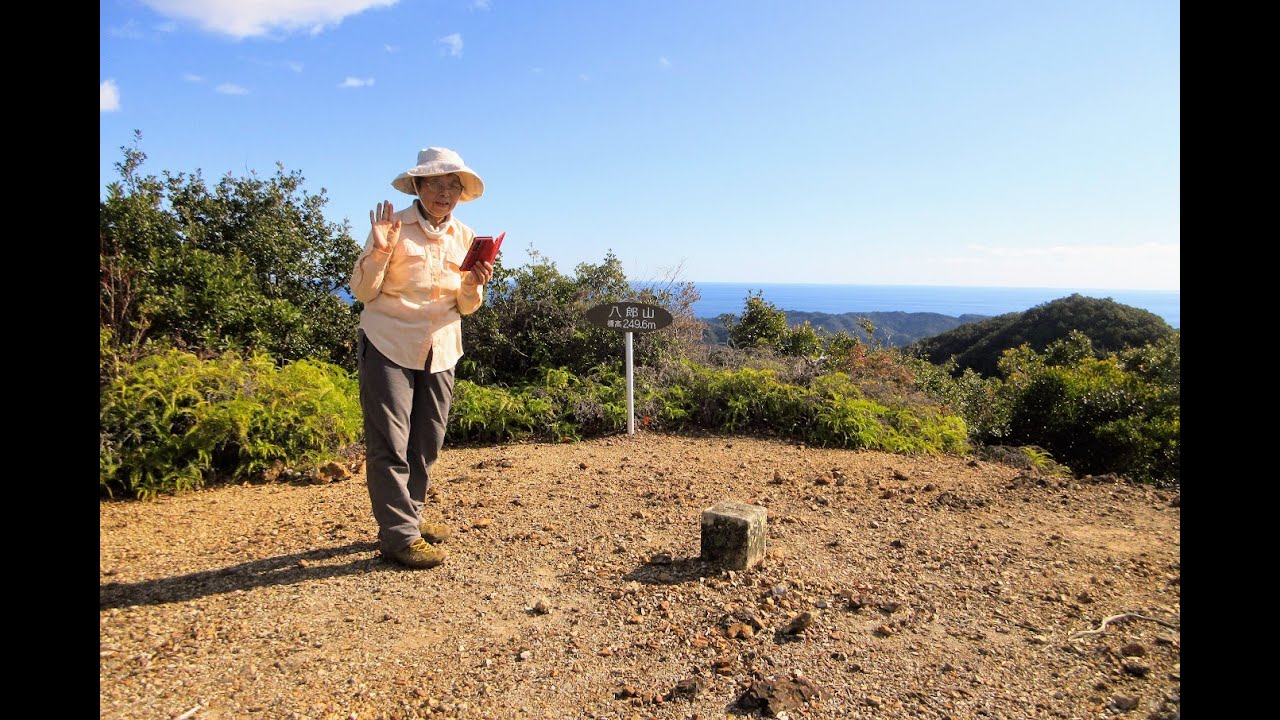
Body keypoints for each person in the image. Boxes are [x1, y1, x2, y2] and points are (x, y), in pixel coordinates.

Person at [348, 147, 494, 569]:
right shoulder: (392, 228)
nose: (445, 193)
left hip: (441, 348)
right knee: (390, 444)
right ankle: (398, 537)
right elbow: (363, 292)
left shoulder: (464, 237)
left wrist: (474, 283)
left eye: (453, 185)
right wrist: (377, 251)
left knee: (426, 442)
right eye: (437, 184)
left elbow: (466, 306)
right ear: (418, 186)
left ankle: (409, 518)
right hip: (388, 343)